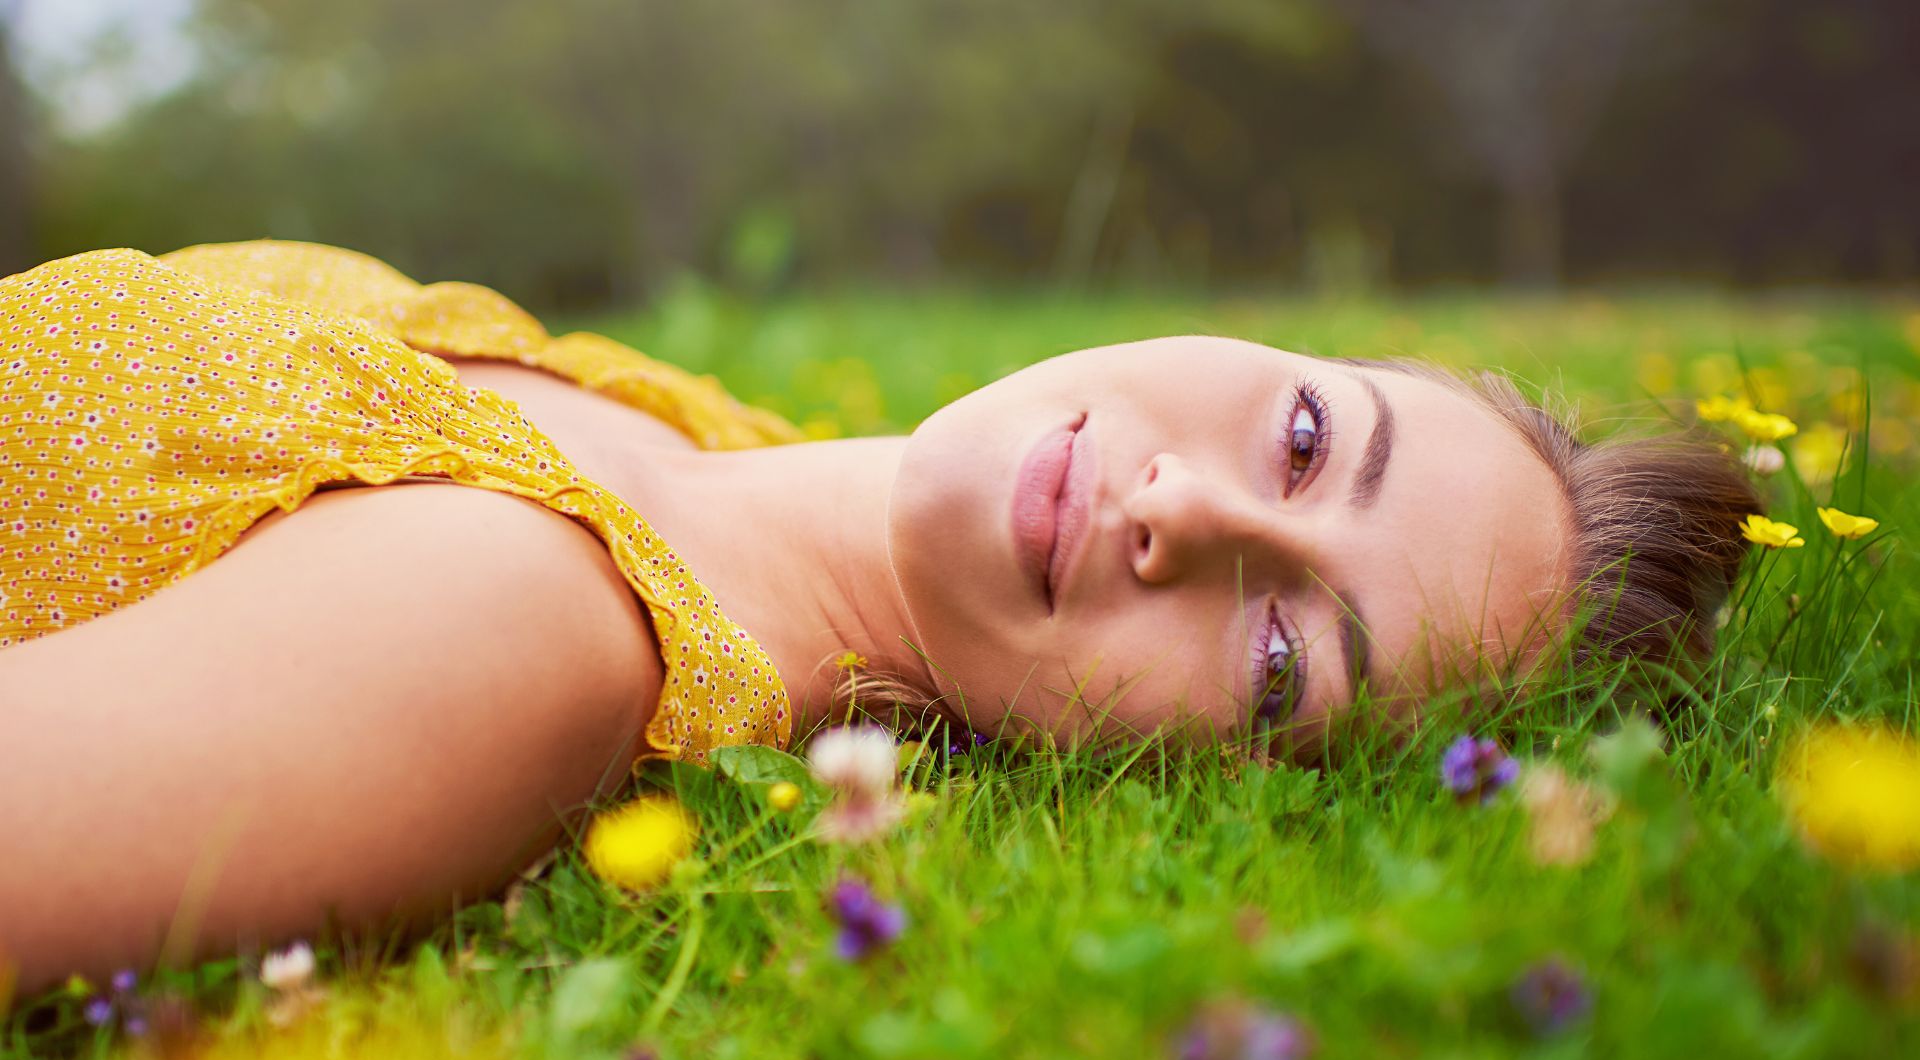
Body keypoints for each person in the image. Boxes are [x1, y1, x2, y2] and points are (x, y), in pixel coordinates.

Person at [0, 241, 1755, 996]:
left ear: (1192, 790)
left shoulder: (521, 630)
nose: (1185, 515)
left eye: (1281, 656)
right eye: (1304, 439)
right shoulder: (698, 429)